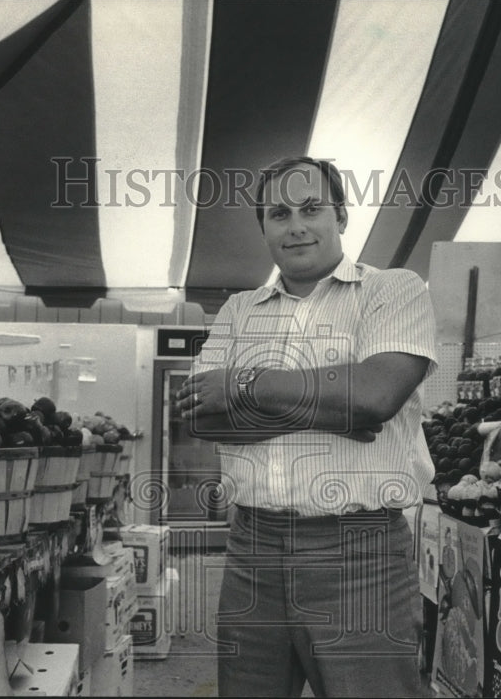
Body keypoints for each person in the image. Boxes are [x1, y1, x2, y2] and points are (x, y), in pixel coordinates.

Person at [175, 156, 439, 697]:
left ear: (340, 216)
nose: (295, 225)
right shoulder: (238, 309)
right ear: (264, 228)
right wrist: (334, 409)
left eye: (311, 208)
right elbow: (202, 416)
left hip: (359, 553)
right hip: (251, 549)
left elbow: (374, 395)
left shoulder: (392, 290)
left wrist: (245, 381)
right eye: (278, 213)